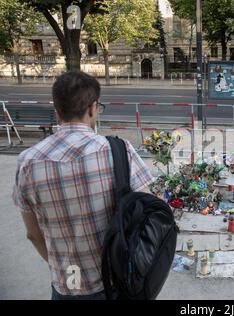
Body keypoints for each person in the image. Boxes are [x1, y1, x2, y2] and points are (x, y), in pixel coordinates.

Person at [12, 71, 154, 300]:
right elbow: (148, 211)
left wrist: (62, 265)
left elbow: (33, 235)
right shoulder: (119, 150)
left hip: (67, 284)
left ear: (57, 112)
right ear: (93, 108)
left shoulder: (27, 162)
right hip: (113, 282)